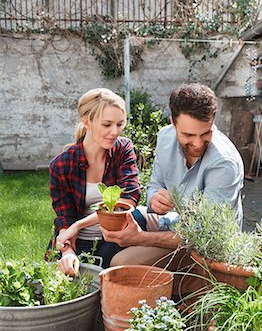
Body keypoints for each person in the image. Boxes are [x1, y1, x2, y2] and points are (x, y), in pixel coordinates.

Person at [57, 83, 244, 270]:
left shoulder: (224, 163)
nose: (197, 143)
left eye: (206, 133)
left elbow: (204, 234)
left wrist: (141, 238)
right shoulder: (165, 138)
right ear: (173, 121)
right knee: (131, 221)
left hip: (207, 247)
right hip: (176, 223)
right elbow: (154, 186)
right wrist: (155, 199)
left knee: (120, 264)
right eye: (188, 135)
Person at [48, 88, 141, 275]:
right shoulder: (62, 165)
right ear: (86, 122)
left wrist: (77, 225)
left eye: (119, 124)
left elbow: (129, 200)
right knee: (66, 285)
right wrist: (67, 250)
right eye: (107, 125)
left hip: (115, 238)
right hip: (78, 241)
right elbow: (64, 216)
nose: (115, 132)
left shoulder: (123, 150)